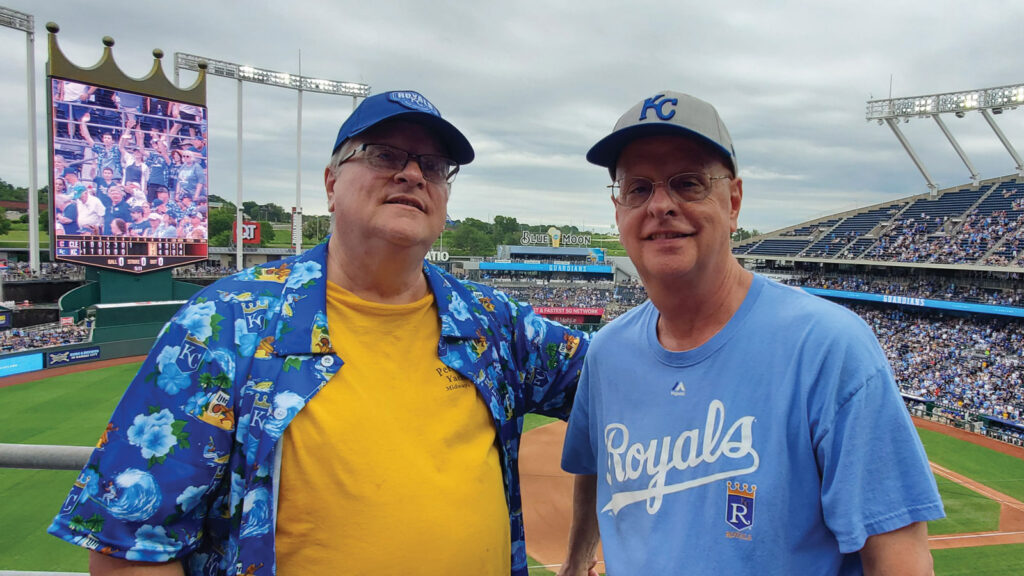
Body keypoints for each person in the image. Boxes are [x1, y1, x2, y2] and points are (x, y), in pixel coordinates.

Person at [49, 90, 589, 576]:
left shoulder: (494, 323)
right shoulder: (226, 320)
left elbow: (628, 378)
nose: (412, 175)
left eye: (433, 164)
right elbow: (128, 550)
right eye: (384, 155)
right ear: (331, 184)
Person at [557, 91, 944, 576]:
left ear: (733, 201)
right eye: (637, 188)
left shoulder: (829, 347)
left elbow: (900, 558)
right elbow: (595, 467)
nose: (660, 205)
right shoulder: (608, 351)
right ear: (618, 211)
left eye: (688, 183)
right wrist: (575, 562)